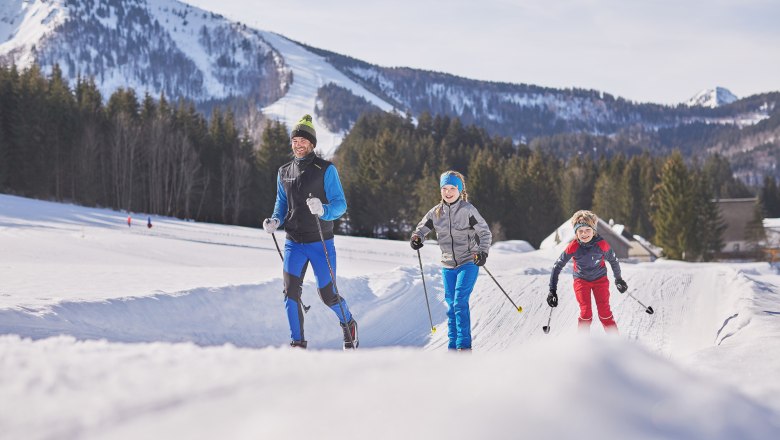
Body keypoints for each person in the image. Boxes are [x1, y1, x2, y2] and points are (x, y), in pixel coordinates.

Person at [262, 114, 358, 350]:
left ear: (312, 143)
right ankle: (298, 344)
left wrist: (323, 209)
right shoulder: (284, 171)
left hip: (320, 242)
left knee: (327, 294)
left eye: (303, 140)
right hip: (294, 242)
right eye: (295, 140)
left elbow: (340, 204)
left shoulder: (326, 169)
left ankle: (349, 324)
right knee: (290, 292)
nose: (298, 144)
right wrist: (275, 220)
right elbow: (281, 203)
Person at [410, 170, 492, 351]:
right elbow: (421, 229)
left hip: (468, 261)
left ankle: (464, 346)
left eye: (452, 188)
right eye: (444, 188)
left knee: (459, 301)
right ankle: (452, 347)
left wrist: (482, 252)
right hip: (447, 265)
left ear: (459, 189)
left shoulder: (467, 210)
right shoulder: (435, 213)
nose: (448, 192)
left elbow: (484, 232)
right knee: (450, 305)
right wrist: (417, 238)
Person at [547, 210, 628, 332]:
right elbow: (557, 266)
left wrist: (619, 279)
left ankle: (615, 342)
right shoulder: (573, 246)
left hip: (600, 279)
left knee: (605, 313)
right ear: (576, 232)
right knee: (586, 314)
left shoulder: (601, 244)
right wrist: (552, 290)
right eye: (580, 231)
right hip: (581, 280)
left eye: (587, 230)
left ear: (594, 230)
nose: (584, 234)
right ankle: (583, 345)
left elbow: (613, 260)